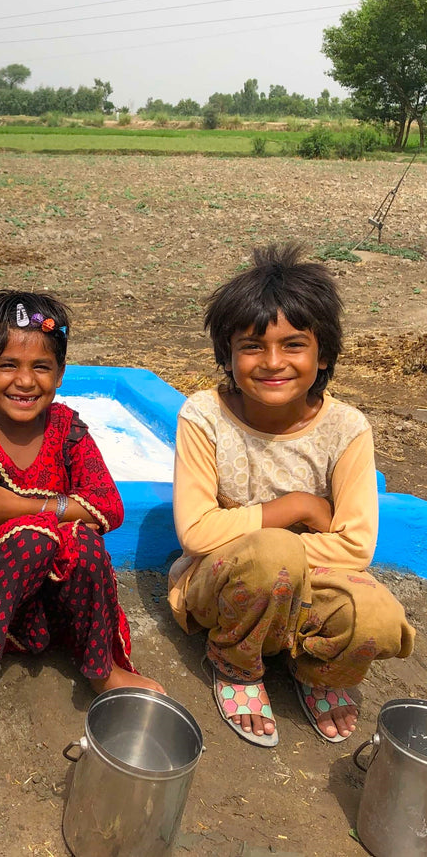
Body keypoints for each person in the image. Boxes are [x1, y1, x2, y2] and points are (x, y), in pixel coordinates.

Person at [170, 244, 415, 747]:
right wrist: (298, 507)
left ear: (322, 354)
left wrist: (264, 544)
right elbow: (194, 532)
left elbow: (355, 548)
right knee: (269, 551)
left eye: (294, 344)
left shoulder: (347, 429)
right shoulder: (204, 417)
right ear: (228, 355)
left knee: (379, 616)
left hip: (311, 581)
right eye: (253, 346)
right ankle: (235, 664)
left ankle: (318, 671)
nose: (273, 362)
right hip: (221, 585)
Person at [0, 290, 164, 761]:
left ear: (61, 374)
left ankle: (100, 668)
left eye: (41, 368)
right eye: (7, 365)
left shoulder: (68, 430)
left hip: (48, 604)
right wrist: (30, 533)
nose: (24, 381)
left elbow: (108, 509)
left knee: (81, 543)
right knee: (44, 537)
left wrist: (23, 510)